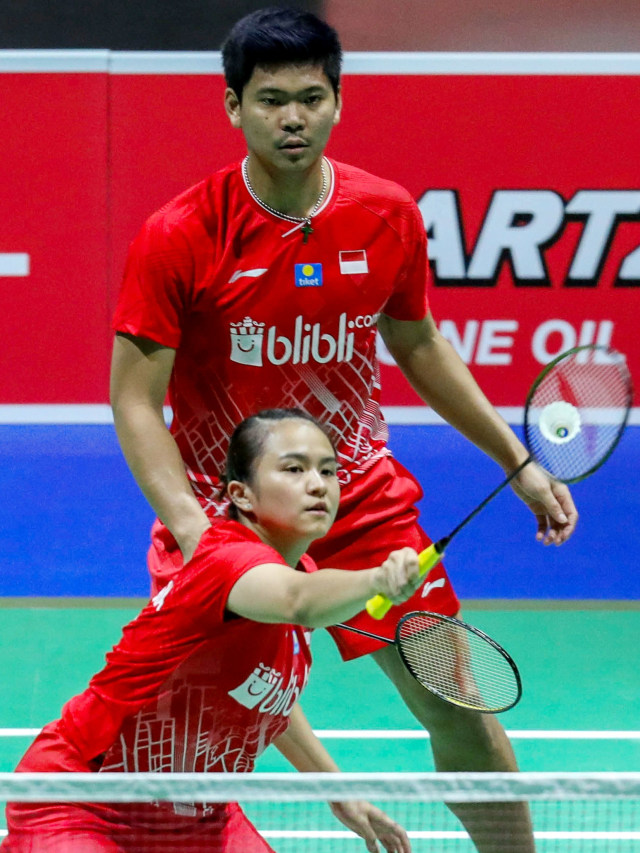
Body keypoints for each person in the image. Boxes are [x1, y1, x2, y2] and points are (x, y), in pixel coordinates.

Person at [109, 7, 579, 852]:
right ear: (233, 106)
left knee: (457, 703)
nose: (292, 118)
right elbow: (135, 400)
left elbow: (419, 343)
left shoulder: (385, 213)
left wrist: (516, 460)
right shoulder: (181, 235)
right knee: (197, 718)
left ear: (337, 101)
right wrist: (193, 528)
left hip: (360, 497)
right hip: (231, 509)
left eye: (311, 97)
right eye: (271, 100)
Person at [3, 409, 421, 853]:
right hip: (87, 799)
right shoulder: (227, 564)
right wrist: (377, 579)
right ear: (241, 494)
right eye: (294, 469)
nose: (318, 485)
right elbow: (300, 601)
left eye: (328, 470)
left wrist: (337, 788)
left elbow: (264, 696)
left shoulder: (301, 570)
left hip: (198, 816)